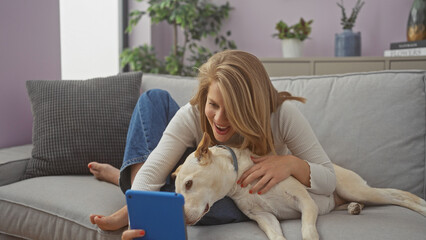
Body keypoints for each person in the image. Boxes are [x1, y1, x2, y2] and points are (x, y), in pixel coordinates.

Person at [89, 50, 337, 239]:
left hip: (236, 195)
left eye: (232, 112)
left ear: (251, 109)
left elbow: (329, 180)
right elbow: (155, 170)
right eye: (213, 105)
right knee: (153, 100)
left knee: (208, 204)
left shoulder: (282, 115)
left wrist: (291, 164)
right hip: (194, 171)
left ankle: (130, 186)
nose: (219, 119)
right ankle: (135, 199)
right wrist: (139, 220)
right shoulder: (193, 113)